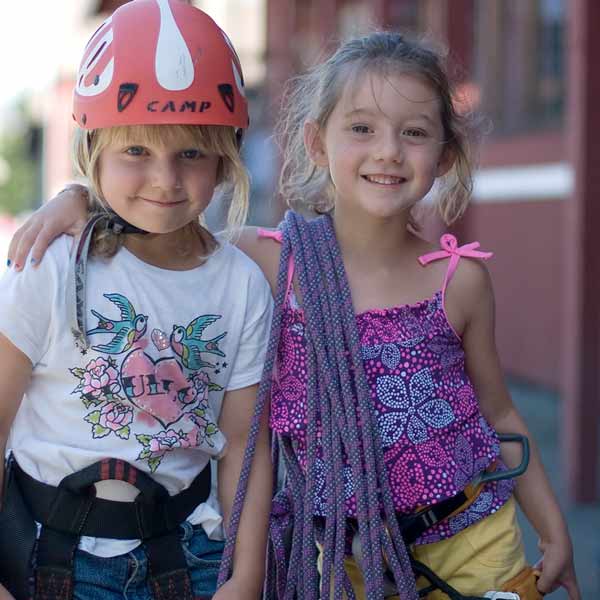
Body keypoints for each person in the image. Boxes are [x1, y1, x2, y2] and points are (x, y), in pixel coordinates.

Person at [8, 31, 580, 600]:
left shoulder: (460, 282)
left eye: (414, 133)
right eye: (361, 128)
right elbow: (163, 229)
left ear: (446, 154)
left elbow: (500, 413)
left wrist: (555, 531)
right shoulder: (264, 263)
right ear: (315, 141)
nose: (387, 151)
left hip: (474, 539)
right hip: (341, 559)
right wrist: (79, 199)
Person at [0, 1, 273, 599]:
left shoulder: (241, 285)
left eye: (191, 153)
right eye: (136, 152)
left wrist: (246, 577)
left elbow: (246, 450)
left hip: (189, 557)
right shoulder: (47, 268)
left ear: (226, 158)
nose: (165, 180)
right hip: (54, 561)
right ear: (93, 149)